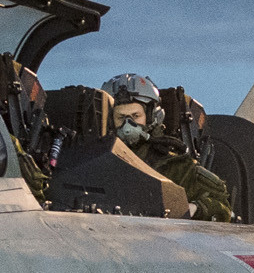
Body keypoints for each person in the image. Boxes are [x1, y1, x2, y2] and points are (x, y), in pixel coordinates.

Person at [101, 73, 236, 221]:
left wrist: (195, 208)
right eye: (121, 118)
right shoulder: (98, 162)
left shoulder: (178, 168)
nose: (128, 125)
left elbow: (222, 207)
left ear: (152, 116)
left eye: (135, 116)